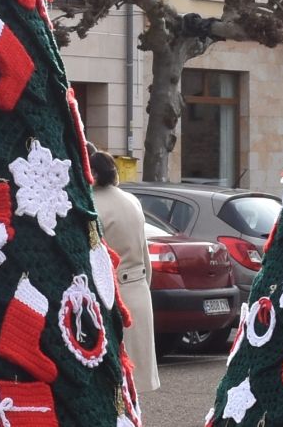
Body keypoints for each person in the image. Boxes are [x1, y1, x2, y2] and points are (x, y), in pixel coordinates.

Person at [90, 151, 159, 391]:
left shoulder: (91, 205)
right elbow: (144, 252)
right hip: (138, 289)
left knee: (110, 380)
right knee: (135, 383)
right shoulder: (131, 200)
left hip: (109, 293)